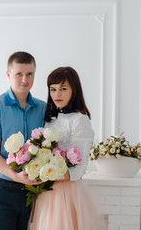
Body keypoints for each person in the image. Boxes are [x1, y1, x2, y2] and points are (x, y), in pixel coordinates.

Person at [28, 66, 106, 230]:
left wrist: (48, 173)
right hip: (46, 191)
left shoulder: (79, 120)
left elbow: (79, 169)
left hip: (67, 192)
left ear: (74, 90)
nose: (57, 94)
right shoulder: (50, 119)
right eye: (53, 89)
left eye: (63, 89)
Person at [0, 51, 46, 230]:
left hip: (33, 194)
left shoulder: (43, 109)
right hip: (1, 192)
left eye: (30, 74)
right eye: (19, 74)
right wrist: (16, 176)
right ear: (9, 75)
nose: (25, 79)